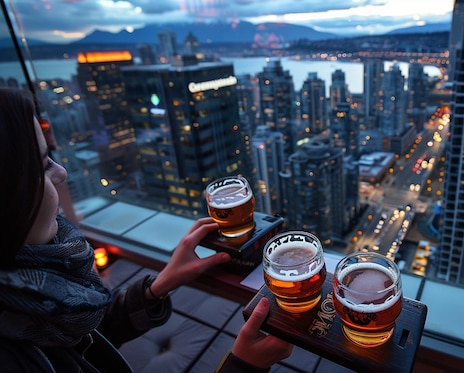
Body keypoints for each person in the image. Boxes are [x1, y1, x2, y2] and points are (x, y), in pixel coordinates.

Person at [0, 87, 293, 372]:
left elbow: (92, 331)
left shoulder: (42, 290)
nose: (61, 172)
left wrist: (159, 286)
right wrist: (243, 366)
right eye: (40, 166)